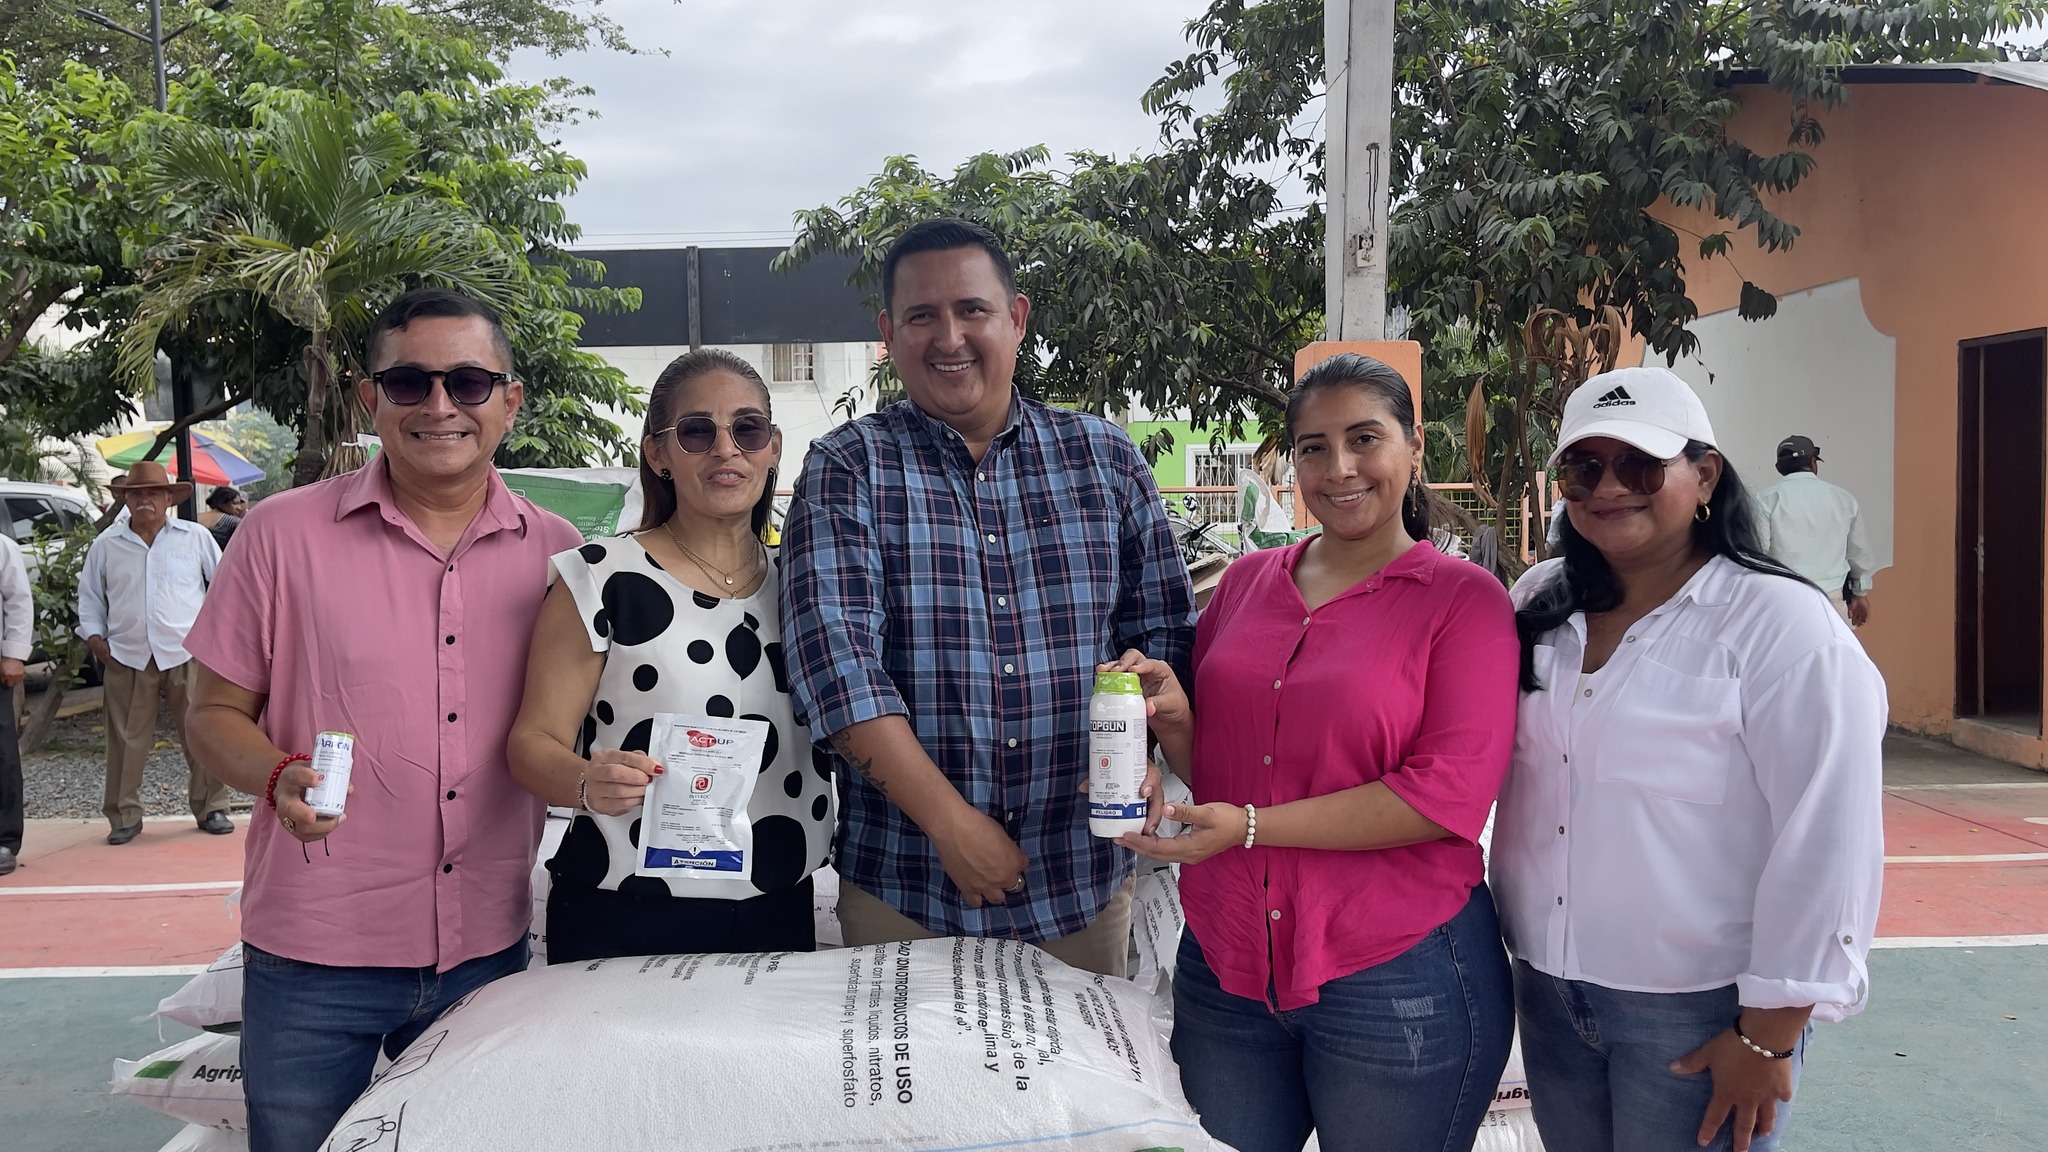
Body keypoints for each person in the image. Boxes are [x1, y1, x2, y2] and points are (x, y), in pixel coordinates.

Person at [182, 288, 582, 1152]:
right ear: (371, 399)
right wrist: (277, 774)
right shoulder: (280, 536)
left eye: (469, 382)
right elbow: (211, 715)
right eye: (410, 382)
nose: (440, 405)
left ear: (510, 401)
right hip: (315, 953)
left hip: (485, 949)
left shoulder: (562, 556)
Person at [1106, 354, 1518, 1152]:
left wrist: (1250, 828)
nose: (1340, 469)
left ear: (1414, 446)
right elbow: (1225, 773)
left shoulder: (1463, 602)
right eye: (1313, 448)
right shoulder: (1245, 584)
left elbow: (1446, 797)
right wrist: (1175, 718)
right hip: (1228, 963)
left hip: (1395, 970)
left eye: (1365, 439)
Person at [780, 217, 1195, 977]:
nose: (950, 338)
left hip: (1079, 884)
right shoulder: (848, 467)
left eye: (972, 309)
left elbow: (1166, 638)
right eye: (921, 316)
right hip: (906, 887)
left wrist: (1147, 750)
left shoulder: (1105, 460)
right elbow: (836, 669)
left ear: (1017, 318)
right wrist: (950, 825)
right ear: (888, 334)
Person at [1493, 367, 1887, 1152]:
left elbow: (1829, 839)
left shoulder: (1782, 626)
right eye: (1584, 468)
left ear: (1704, 475)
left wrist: (1769, 1038)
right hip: (1548, 994)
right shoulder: (1537, 602)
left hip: (1701, 1013)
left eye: (1641, 465)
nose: (1610, 488)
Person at [507, 349, 832, 962]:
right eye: (697, 432)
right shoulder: (600, 578)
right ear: (658, 454)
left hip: (779, 904)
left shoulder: (807, 584)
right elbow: (531, 743)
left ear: (773, 447)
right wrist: (585, 781)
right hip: (625, 905)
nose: (726, 449)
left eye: (747, 429)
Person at [77, 461, 229, 844]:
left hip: (187, 652)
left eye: (153, 494)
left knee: (203, 732)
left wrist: (216, 638)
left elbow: (224, 586)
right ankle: (123, 815)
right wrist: (95, 638)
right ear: (126, 500)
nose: (145, 500)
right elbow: (90, 596)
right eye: (136, 494)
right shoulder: (107, 545)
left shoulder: (194, 537)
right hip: (126, 654)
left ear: (168, 499)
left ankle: (212, 807)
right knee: (125, 740)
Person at [1754, 435, 1877, 626]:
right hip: (1832, 601)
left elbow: (1756, 554)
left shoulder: (1766, 499)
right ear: (1813, 463)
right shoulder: (1844, 499)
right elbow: (1859, 553)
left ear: (1780, 467)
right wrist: (1860, 593)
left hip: (1785, 601)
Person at [0, 530, 32, 876]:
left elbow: (18, 600)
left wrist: (14, 654)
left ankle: (5, 839)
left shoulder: (2, 547)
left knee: (1, 753)